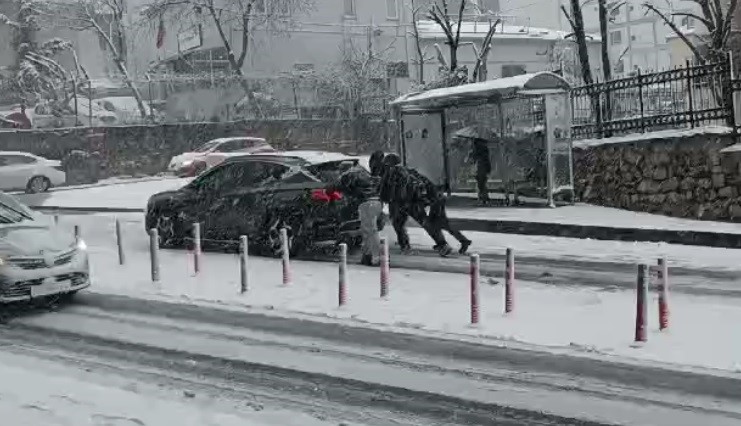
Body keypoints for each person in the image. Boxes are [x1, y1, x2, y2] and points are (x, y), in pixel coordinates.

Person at [377, 152, 455, 257]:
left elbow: (383, 190)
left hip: (398, 203)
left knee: (398, 225)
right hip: (415, 203)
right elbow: (427, 184)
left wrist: (384, 201)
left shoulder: (390, 173)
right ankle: (443, 245)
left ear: (388, 164)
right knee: (426, 223)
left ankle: (405, 246)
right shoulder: (410, 172)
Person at [328, 160, 383, 266]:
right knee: (369, 231)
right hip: (377, 202)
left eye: (340, 170)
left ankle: (376, 257)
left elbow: (334, 187)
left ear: (343, 169)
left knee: (369, 231)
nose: (339, 172)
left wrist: (328, 190)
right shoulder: (363, 172)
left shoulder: (349, 174)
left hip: (367, 203)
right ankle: (368, 255)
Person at [469, 137, 491, 205]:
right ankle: (484, 197)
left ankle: (483, 198)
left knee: (481, 184)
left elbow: (473, 158)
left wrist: (471, 154)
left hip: (480, 168)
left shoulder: (478, 150)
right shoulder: (484, 149)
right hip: (484, 168)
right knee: (482, 183)